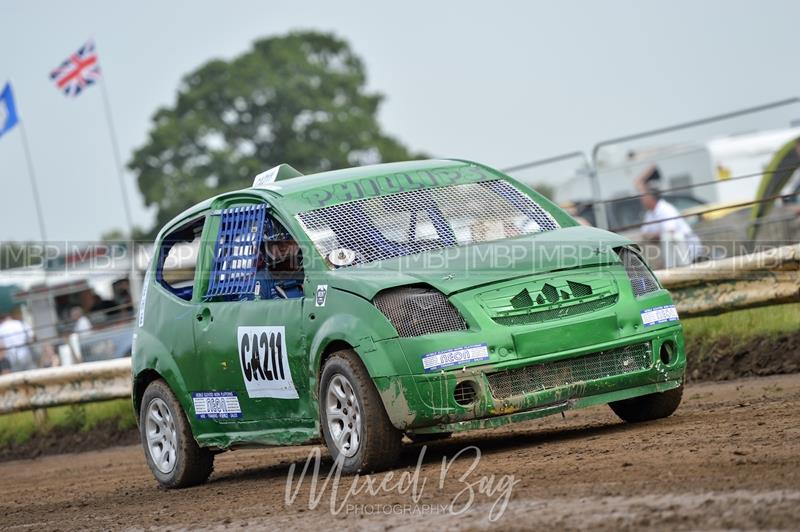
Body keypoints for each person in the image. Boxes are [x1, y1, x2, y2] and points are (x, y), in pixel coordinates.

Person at [635, 166, 703, 267]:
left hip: (689, 250)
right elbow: (644, 233)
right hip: (674, 250)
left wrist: (653, 236)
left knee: (672, 237)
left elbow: (670, 232)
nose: (642, 200)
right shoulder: (650, 213)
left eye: (644, 197)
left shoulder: (665, 209)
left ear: (651, 198)